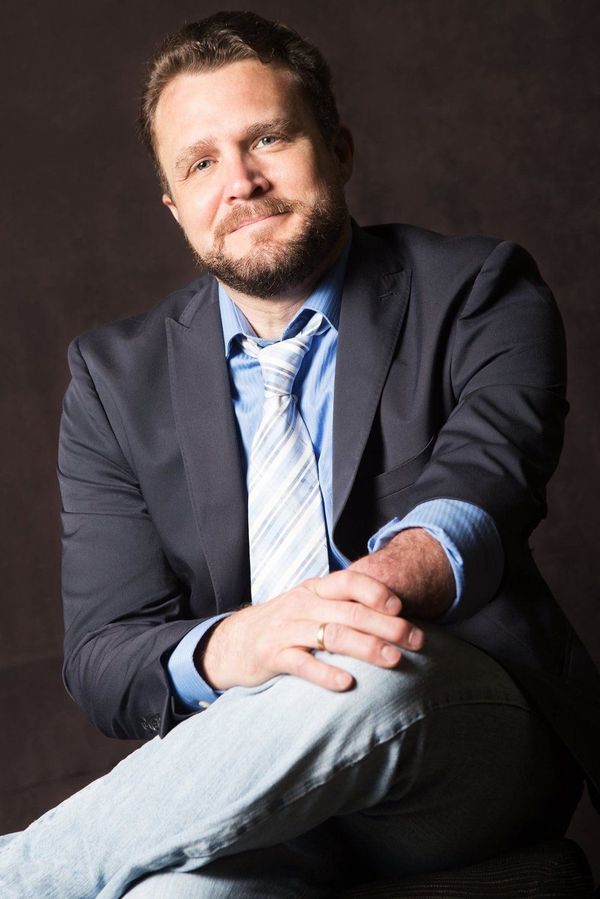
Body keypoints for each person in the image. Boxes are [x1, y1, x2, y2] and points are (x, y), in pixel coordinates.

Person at [1, 10, 599, 898]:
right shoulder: (112, 379)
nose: (239, 182)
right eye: (200, 163)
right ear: (174, 206)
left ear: (339, 148)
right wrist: (242, 642)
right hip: (252, 777)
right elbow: (104, 658)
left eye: (268, 139)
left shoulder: (479, 289)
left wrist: (347, 606)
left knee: (358, 667)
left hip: (455, 740)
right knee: (174, 894)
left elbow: (483, 490)